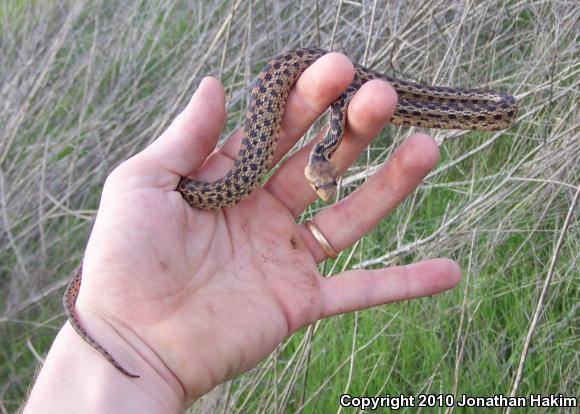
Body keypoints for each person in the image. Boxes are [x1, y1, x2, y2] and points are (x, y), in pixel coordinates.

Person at [24, 53, 460, 413]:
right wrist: (118, 328)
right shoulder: (267, 163)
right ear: (317, 172)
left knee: (369, 95)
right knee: (362, 93)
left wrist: (133, 347)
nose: (324, 192)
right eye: (322, 185)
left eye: (326, 186)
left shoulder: (329, 138)